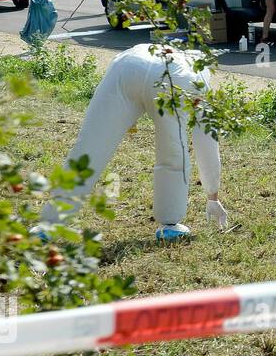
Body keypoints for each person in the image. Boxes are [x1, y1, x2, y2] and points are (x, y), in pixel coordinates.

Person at [40, 43, 229, 240]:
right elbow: (207, 138)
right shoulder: (198, 80)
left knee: (89, 146)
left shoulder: (151, 52)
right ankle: (170, 225)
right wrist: (212, 196)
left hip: (127, 66)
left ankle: (51, 222)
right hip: (172, 81)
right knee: (172, 153)